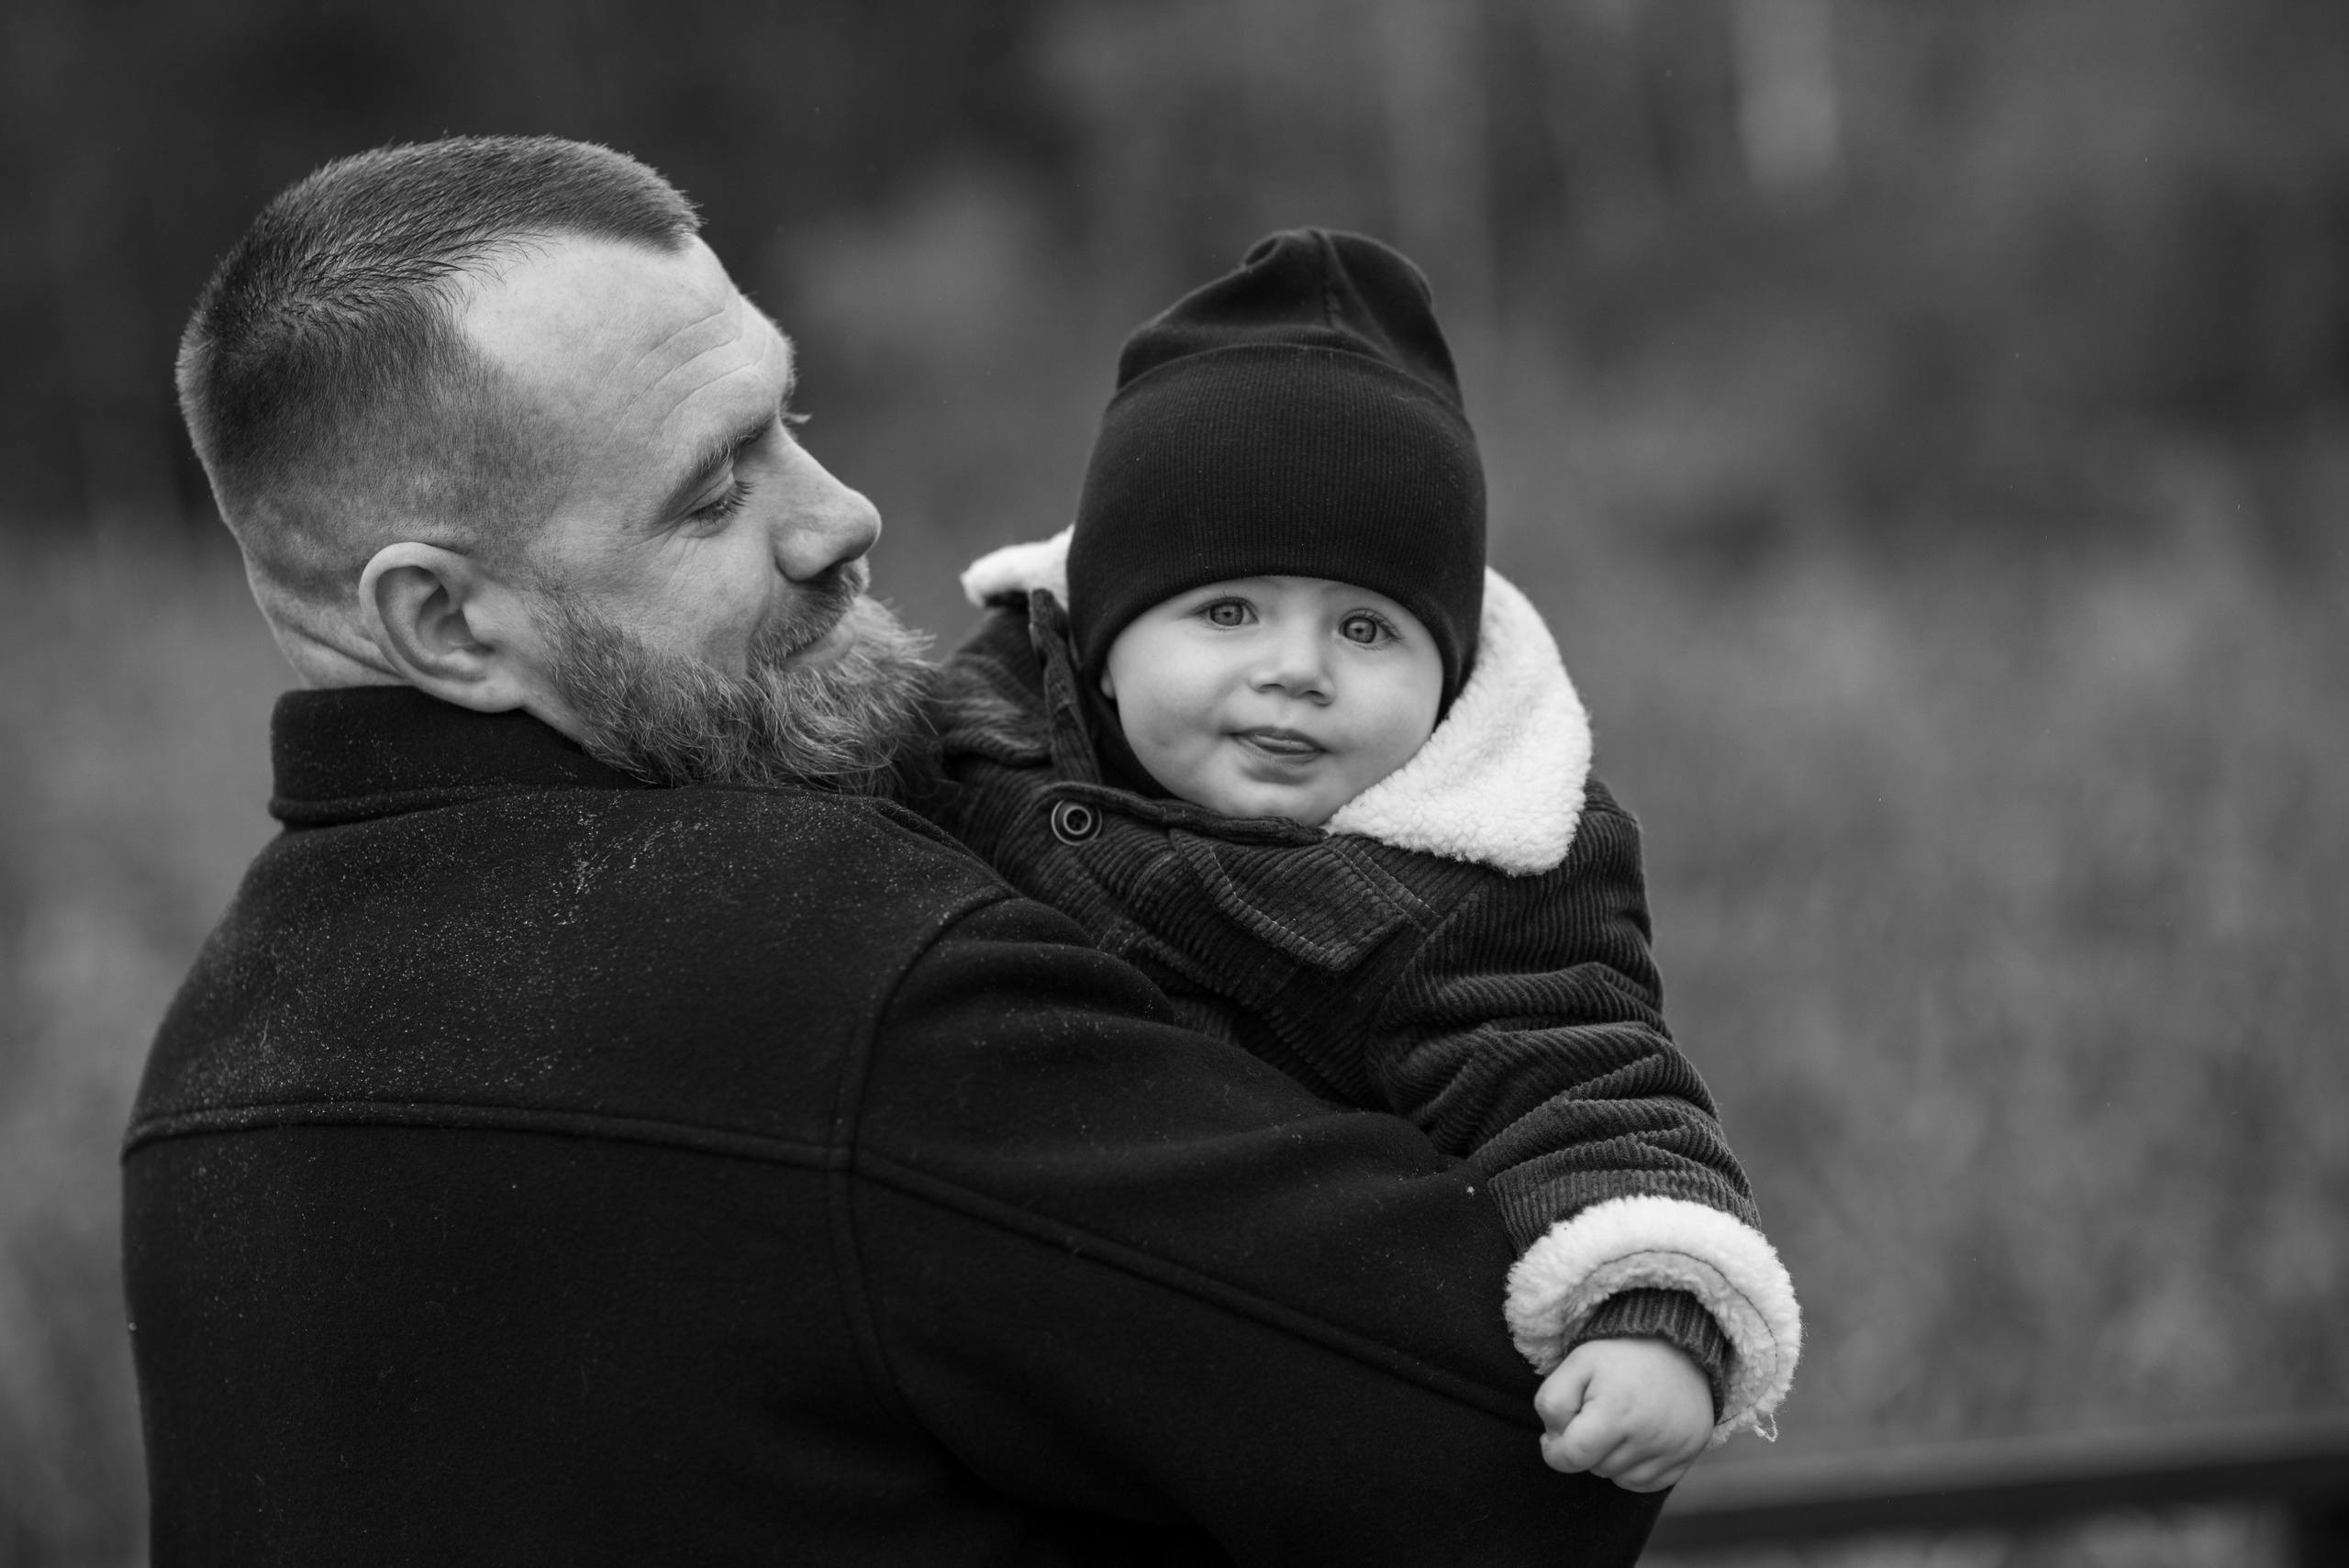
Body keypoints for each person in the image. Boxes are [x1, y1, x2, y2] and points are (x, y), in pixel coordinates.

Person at [124, 137, 1670, 1565]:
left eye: (788, 421)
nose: (843, 516)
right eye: (717, 489)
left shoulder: (210, 1066)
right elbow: (1520, 1464)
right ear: (445, 619)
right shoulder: (837, 972)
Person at [931, 230, 1801, 1492]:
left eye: (1366, 627)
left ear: (1446, 683)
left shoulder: (1482, 878)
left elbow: (1588, 1083)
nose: (1297, 666)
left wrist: (1653, 1311)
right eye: (1227, 609)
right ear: (1103, 635)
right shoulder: (968, 733)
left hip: (1237, 1414)